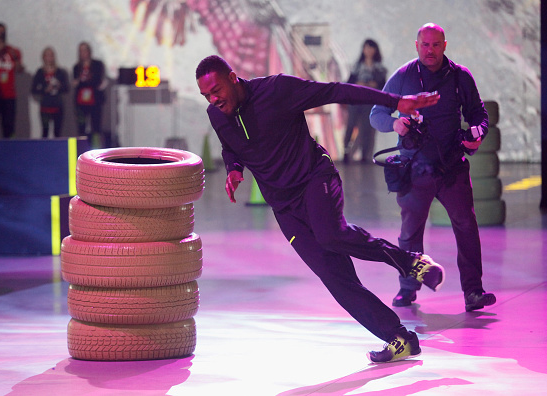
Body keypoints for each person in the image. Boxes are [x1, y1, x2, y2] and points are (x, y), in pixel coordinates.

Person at [196, 54, 445, 363]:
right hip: (284, 206)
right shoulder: (217, 114)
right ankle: (399, 338)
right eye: (206, 95)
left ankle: (410, 262)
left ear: (233, 78)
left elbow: (337, 91)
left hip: (315, 177)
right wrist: (234, 169)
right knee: (335, 278)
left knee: (331, 235)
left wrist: (395, 101)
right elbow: (230, 146)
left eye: (216, 89)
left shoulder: (277, 90)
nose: (213, 99)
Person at [370, 23, 496, 312]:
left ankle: (473, 292)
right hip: (415, 168)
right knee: (410, 232)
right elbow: (376, 114)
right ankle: (407, 290)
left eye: (436, 44)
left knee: (466, 226)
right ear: (417, 46)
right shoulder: (403, 77)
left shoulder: (460, 76)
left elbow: (479, 113)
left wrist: (478, 134)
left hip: (452, 165)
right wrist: (395, 123)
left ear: (444, 45)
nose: (430, 50)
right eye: (425, 45)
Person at [343, 39, 387, 164]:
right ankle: (346, 152)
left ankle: (365, 155)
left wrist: (375, 85)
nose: (368, 51)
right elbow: (348, 83)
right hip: (355, 101)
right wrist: (358, 84)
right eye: (366, 48)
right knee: (350, 126)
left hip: (369, 103)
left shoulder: (379, 69)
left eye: (371, 48)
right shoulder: (356, 67)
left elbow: (383, 86)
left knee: (367, 129)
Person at [0, 22, 24, 138]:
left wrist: (15, 57)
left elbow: (19, 69)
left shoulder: (13, 51)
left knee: (8, 127)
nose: (1, 35)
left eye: (3, 33)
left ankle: (9, 153)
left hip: (9, 96)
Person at [72, 42, 106, 146]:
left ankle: (96, 150)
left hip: (94, 100)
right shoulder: (77, 67)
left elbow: (96, 80)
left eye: (85, 50)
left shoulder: (97, 64)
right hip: (81, 102)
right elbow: (75, 83)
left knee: (96, 127)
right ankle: (82, 149)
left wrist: (82, 81)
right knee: (81, 126)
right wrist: (83, 82)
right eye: (81, 51)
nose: (83, 53)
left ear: (89, 51)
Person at [31, 47, 69, 138]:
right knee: (45, 132)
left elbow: (67, 88)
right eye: (47, 55)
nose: (49, 58)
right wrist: (45, 89)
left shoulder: (60, 72)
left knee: (57, 132)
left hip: (58, 105)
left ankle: (57, 151)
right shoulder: (40, 72)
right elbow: (33, 90)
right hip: (45, 106)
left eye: (51, 55)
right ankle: (45, 151)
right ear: (43, 57)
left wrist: (59, 86)